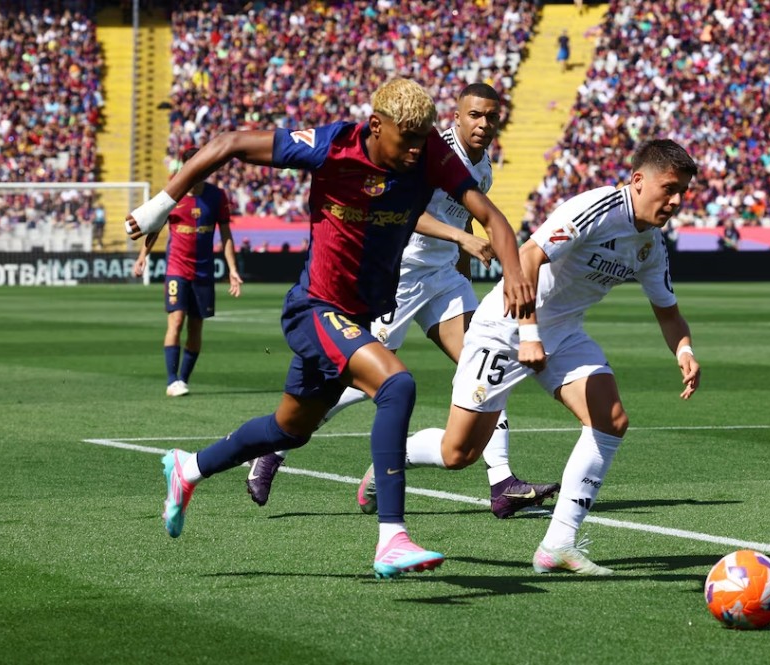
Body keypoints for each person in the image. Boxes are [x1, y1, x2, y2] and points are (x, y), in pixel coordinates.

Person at [124, 78, 534, 579]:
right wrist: (158, 207)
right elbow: (228, 144)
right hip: (314, 308)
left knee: (288, 429)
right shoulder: (332, 146)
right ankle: (391, 538)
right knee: (396, 383)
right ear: (376, 127)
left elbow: (491, 217)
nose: (414, 152)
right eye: (405, 140)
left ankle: (187, 469)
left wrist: (514, 274)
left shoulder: (429, 155)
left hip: (357, 315)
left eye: (420, 140)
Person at [369, 138, 701, 575]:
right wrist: (527, 334)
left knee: (610, 418)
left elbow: (668, 310)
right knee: (458, 453)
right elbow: (526, 257)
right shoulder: (597, 209)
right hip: (506, 327)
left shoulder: (650, 245)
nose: (675, 201)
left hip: (562, 334)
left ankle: (558, 545)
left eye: (683, 193)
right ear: (638, 181)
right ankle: (389, 460)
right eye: (669, 188)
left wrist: (684, 349)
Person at [245, 83, 559, 519]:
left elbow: (464, 212)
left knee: (488, 360)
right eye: (475, 115)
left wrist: (461, 267)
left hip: (443, 278)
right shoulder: (428, 151)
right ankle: (274, 448)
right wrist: (460, 238)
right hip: (400, 274)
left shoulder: (482, 165)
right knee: (359, 379)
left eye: (491, 117)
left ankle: (502, 482)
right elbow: (411, 209)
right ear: (456, 116)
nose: (484, 124)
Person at [132, 148, 243, 397]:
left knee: (196, 327)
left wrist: (232, 269)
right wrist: (142, 256)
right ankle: (172, 380)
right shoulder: (172, 193)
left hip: (203, 273)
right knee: (177, 320)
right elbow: (155, 228)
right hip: (177, 269)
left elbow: (225, 234)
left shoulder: (217, 196)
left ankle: (183, 379)